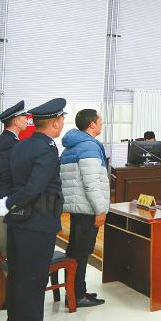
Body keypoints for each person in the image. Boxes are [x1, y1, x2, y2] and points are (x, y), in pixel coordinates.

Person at [0, 98, 66, 321]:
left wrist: (6, 202)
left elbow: (5, 178)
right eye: (62, 119)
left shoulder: (20, 145)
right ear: (55, 123)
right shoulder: (47, 148)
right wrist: (9, 203)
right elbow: (35, 187)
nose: (62, 123)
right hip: (38, 223)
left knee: (17, 275)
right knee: (33, 279)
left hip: (17, 222)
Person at [60, 109, 109, 308]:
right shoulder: (88, 146)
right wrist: (100, 210)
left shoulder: (74, 145)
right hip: (87, 208)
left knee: (76, 251)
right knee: (80, 253)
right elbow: (91, 183)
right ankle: (77, 296)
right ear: (92, 124)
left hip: (77, 207)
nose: (102, 124)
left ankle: (75, 291)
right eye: (100, 121)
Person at [0, 101, 27, 308]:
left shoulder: (6, 140)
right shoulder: (8, 143)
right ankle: (3, 298)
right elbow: (0, 173)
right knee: (4, 250)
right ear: (15, 121)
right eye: (23, 118)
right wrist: (8, 199)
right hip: (3, 202)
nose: (26, 120)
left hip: (2, 199)